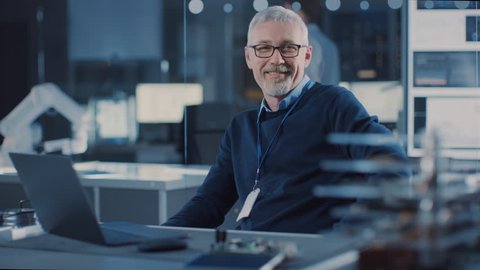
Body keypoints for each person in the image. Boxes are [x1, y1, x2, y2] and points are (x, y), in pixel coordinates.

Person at [163, 6, 407, 233]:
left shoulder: (334, 104)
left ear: (307, 55)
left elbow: (392, 167)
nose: (276, 60)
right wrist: (155, 236)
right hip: (250, 253)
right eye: (264, 48)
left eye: (288, 48)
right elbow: (208, 203)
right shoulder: (241, 127)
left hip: (308, 258)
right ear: (249, 57)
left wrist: (343, 238)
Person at [285, 0, 340, 85]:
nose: (285, 18)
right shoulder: (329, 45)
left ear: (302, 12)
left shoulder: (302, 42)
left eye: (289, 11)